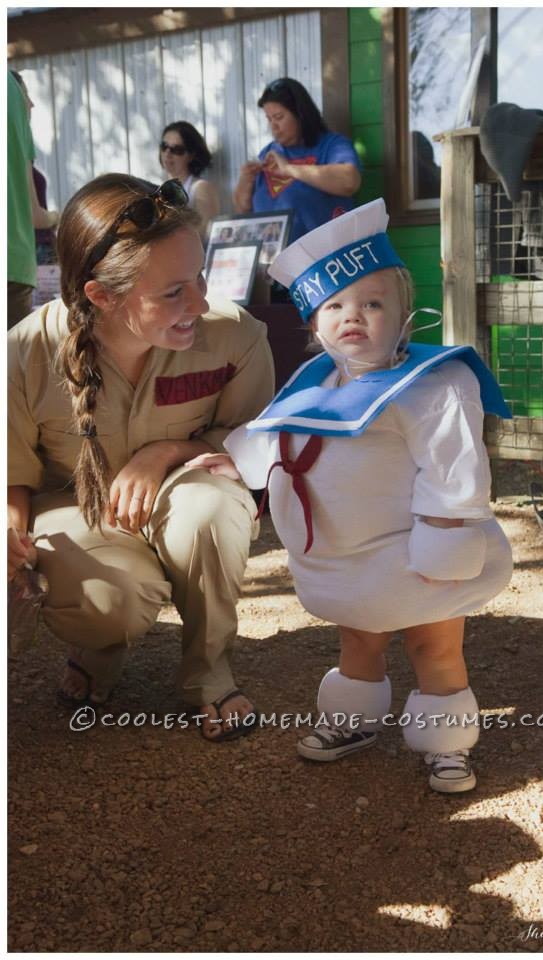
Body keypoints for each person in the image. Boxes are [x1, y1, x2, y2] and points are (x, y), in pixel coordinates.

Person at [186, 199, 513, 791]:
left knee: (433, 643)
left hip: (415, 550)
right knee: (358, 636)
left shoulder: (433, 385)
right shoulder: (313, 378)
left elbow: (453, 468)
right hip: (346, 552)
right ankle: (351, 721)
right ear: (314, 322)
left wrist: (447, 550)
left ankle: (446, 742)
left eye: (372, 303)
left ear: (405, 312)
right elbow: (280, 432)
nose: (351, 317)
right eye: (333, 305)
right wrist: (237, 462)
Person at [8, 173, 275, 741]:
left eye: (199, 277)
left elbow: (257, 439)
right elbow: (12, 478)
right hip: (75, 513)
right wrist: (12, 544)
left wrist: (169, 451)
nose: (200, 302)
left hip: (184, 492)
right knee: (112, 598)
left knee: (213, 508)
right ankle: (102, 643)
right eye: (173, 291)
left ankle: (209, 672)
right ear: (101, 296)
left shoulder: (237, 336)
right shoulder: (24, 353)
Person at [232, 77, 362, 242]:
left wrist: (289, 169)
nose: (273, 126)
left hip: (323, 258)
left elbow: (349, 181)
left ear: (301, 114)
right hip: (272, 260)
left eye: (279, 117)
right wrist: (245, 182)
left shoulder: (332, 145)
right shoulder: (269, 153)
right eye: (269, 119)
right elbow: (243, 210)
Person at [7, 70, 58, 328]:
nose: (32, 103)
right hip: (13, 263)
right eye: (28, 95)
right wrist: (60, 215)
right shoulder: (11, 91)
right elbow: (35, 215)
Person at [159, 121, 220, 241]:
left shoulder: (201, 188)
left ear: (191, 155)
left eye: (177, 149)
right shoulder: (157, 188)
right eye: (164, 146)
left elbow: (203, 235)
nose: (168, 153)